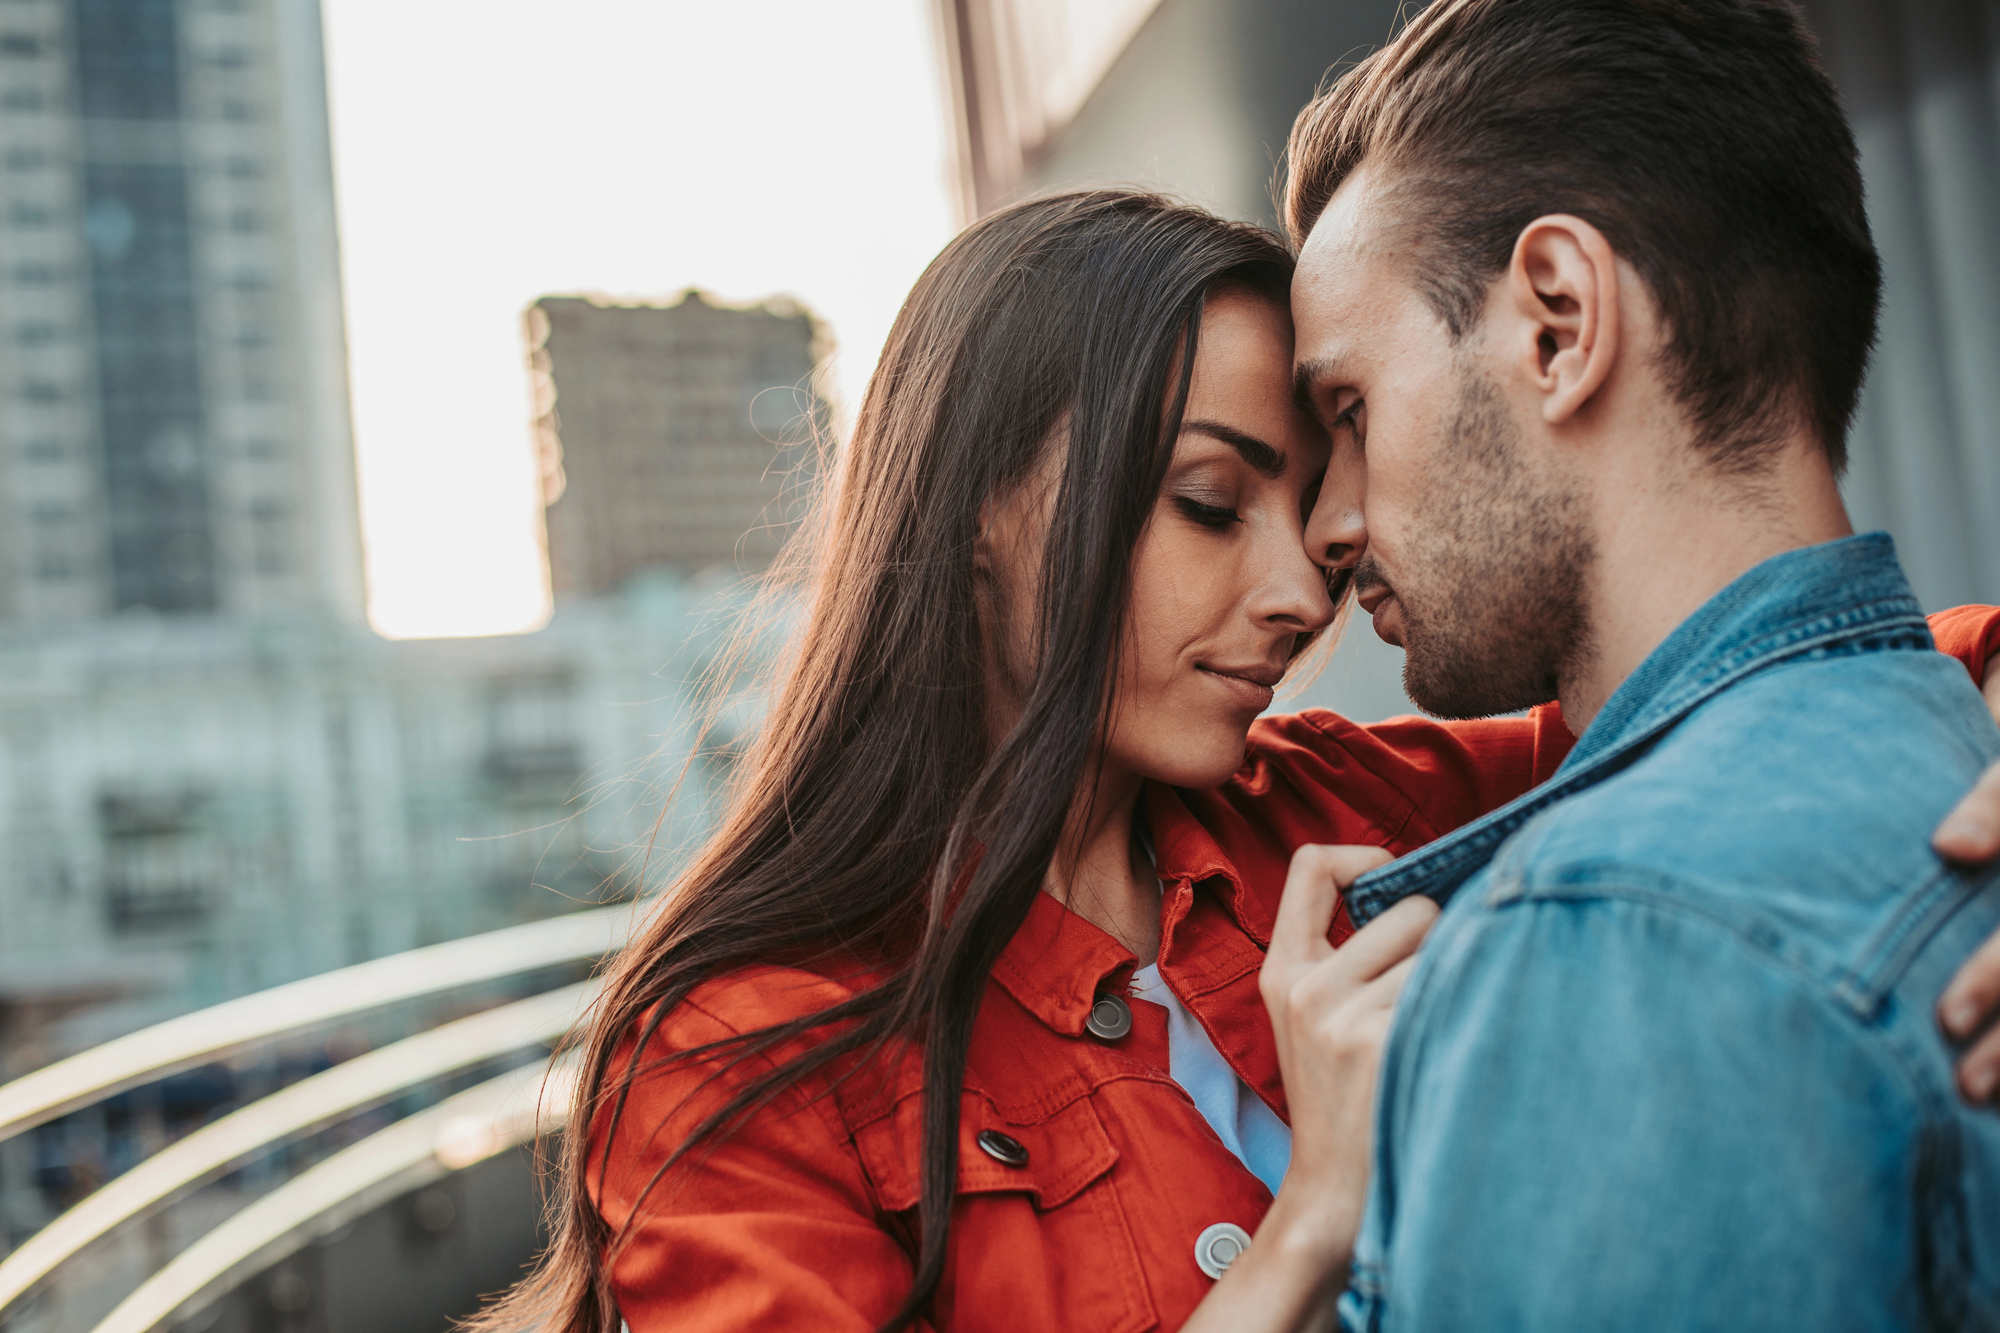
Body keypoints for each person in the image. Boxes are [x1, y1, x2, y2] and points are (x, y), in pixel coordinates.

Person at [461, 186, 2000, 1333]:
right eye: (1211, 500)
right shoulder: (742, 1054)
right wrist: (1304, 1230)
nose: (1300, 587)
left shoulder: (1339, 805)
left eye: (1316, 512)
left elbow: (1795, 677)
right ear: (978, 498)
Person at [1278, 0, 2000, 1327]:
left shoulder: (1616, 931)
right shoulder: (1954, 752)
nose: (1328, 525)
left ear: (1556, 322)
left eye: (1349, 413)